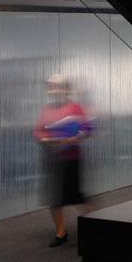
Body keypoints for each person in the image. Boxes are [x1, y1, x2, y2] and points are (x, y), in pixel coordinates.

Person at [34, 74, 92, 247]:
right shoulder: (46, 109)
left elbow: (87, 129)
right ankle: (61, 232)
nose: (54, 90)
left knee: (76, 197)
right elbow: (38, 130)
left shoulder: (75, 108)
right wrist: (44, 138)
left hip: (70, 158)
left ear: (66, 89)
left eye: (58, 86)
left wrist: (74, 137)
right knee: (55, 199)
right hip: (53, 160)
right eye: (51, 87)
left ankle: (95, 225)